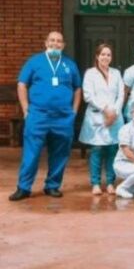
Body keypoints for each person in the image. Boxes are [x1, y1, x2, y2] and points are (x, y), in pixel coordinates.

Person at [9, 31, 82, 201]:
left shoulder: (70, 64)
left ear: (63, 45)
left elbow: (77, 88)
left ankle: (52, 186)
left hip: (63, 117)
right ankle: (24, 187)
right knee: (31, 152)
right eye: (52, 40)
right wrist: (26, 109)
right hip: (38, 116)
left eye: (59, 41)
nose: (55, 44)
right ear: (46, 43)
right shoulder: (34, 62)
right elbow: (22, 84)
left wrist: (74, 111)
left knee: (60, 153)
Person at [79, 43, 125, 195]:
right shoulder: (90, 73)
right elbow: (88, 95)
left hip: (114, 117)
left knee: (112, 150)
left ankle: (111, 182)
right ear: (97, 56)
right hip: (97, 116)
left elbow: (121, 94)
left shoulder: (116, 73)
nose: (106, 57)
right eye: (103, 54)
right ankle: (96, 183)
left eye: (109, 55)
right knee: (97, 151)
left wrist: (115, 111)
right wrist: (106, 109)